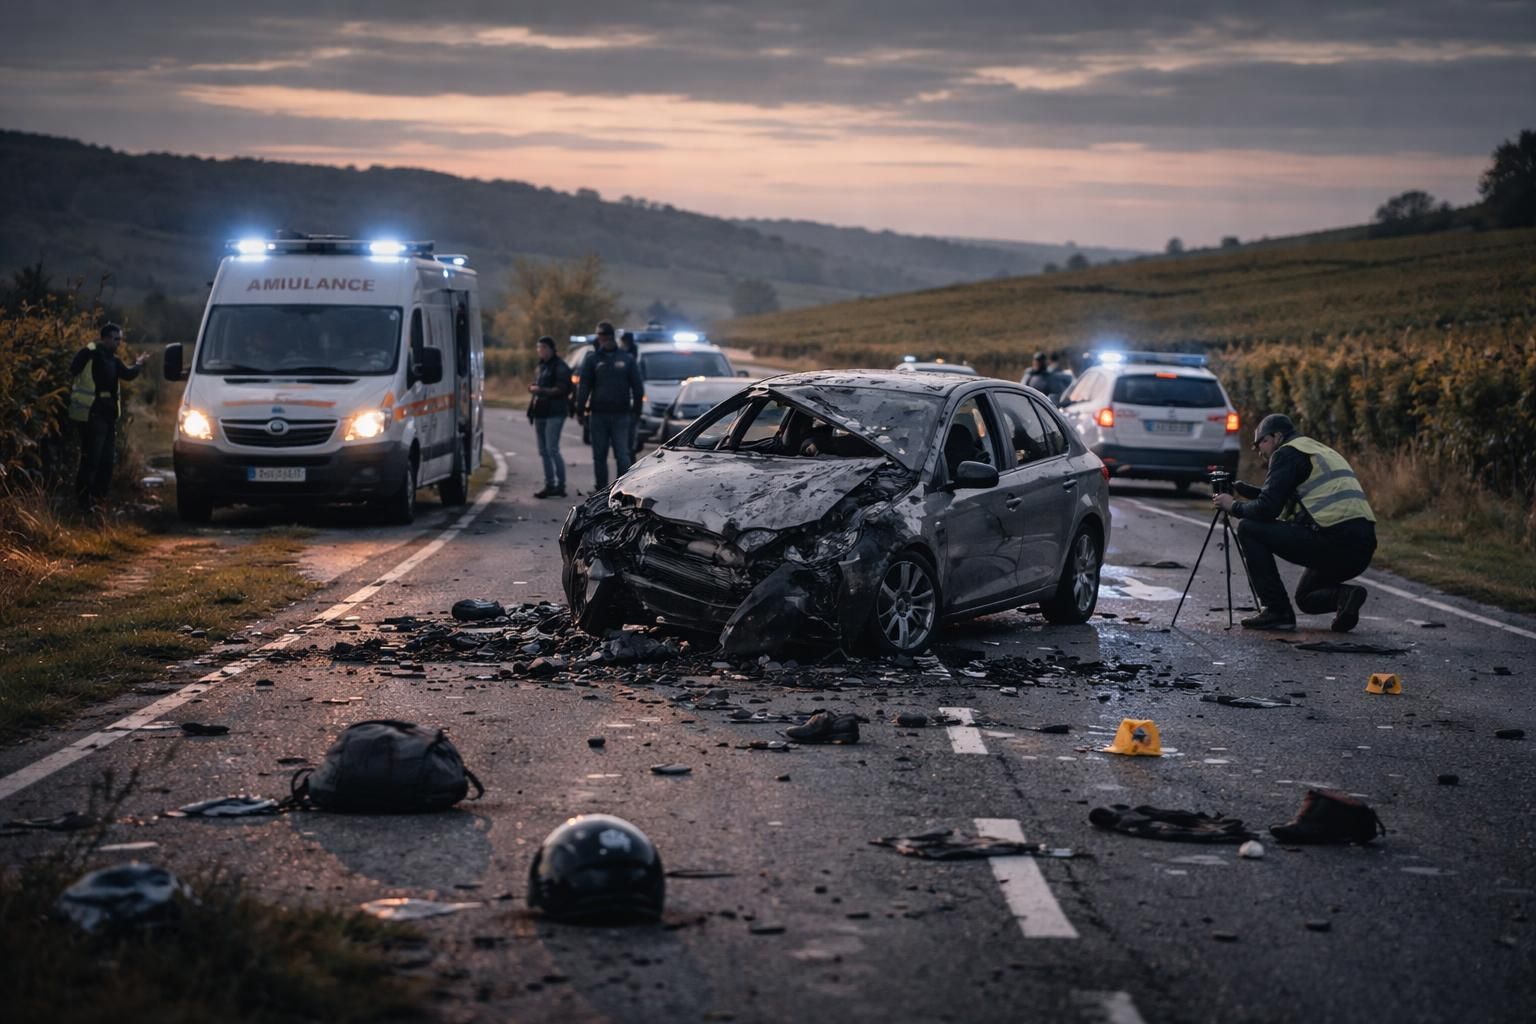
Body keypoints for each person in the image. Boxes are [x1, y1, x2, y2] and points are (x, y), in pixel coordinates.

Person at [1212, 413, 1376, 632]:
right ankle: (1346, 596)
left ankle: (1276, 611)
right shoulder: (1315, 449)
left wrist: (1233, 506)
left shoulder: (1285, 454)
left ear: (1277, 436)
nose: (1259, 451)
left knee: (1249, 529)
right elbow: (1287, 499)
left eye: (1261, 442)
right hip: (1361, 548)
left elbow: (1267, 509)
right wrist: (1246, 491)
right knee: (1306, 598)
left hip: (1333, 540)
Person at [68, 321, 148, 512]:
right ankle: (84, 503)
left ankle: (98, 500)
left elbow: (127, 374)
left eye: (119, 339)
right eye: (115, 339)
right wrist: (88, 350)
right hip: (91, 414)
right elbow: (73, 370)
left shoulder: (113, 360)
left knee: (107, 460)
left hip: (108, 415)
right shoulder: (90, 353)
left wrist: (138, 364)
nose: (118, 343)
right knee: (91, 459)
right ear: (104, 338)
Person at [574, 321, 643, 491]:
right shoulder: (593, 359)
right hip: (598, 413)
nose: (601, 339)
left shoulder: (627, 359)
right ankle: (602, 490)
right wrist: (580, 409)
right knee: (600, 455)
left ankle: (622, 490)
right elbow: (584, 386)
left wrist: (636, 412)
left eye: (602, 335)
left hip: (621, 414)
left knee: (622, 454)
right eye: (600, 336)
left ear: (609, 337)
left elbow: (637, 387)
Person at [527, 336, 572, 498]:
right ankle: (549, 484)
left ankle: (560, 485)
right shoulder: (541, 366)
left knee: (552, 449)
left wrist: (541, 390)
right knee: (543, 451)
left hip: (555, 412)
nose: (541, 351)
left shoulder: (560, 367)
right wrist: (533, 388)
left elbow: (562, 389)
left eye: (543, 348)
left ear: (551, 349)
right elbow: (537, 384)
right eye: (539, 348)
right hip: (540, 412)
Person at [618, 330, 641, 458]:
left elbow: (636, 387)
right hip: (627, 405)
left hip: (629, 405)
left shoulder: (629, 358)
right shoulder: (628, 355)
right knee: (627, 440)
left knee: (628, 441)